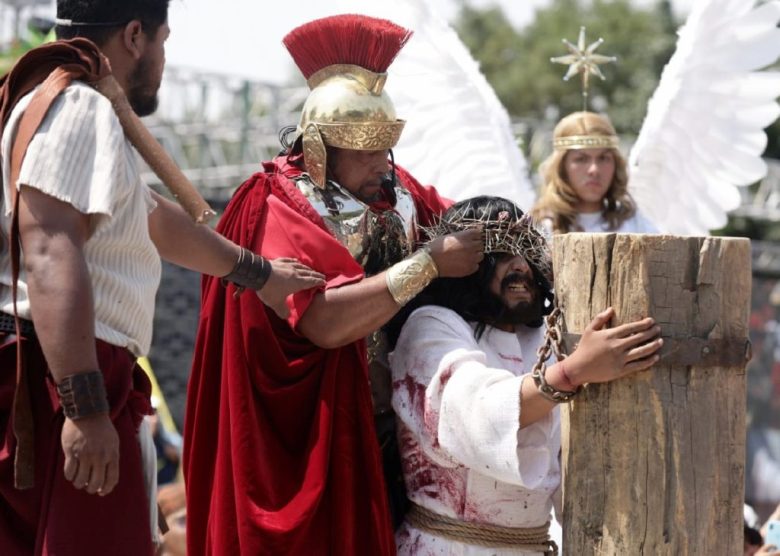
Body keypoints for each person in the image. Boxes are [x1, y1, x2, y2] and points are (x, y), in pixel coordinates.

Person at [0, 2, 323, 555]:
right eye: (163, 40)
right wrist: (86, 406)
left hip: (59, 371)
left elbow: (149, 218)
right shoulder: (78, 108)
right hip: (63, 378)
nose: (165, 59)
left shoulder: (59, 103)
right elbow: (50, 249)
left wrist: (258, 273)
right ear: (133, 35)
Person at [184, 14, 485, 556]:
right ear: (320, 146)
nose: (380, 162)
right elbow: (324, 321)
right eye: (363, 148)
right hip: (314, 435)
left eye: (384, 145)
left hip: (399, 427)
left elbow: (463, 225)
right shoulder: (278, 203)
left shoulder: (399, 190)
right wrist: (430, 264)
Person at [389, 196, 663, 555]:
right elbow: (476, 413)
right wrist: (573, 372)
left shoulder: (542, 338)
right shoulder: (431, 327)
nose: (520, 266)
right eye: (501, 253)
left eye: (527, 251)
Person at [532, 111, 657, 234]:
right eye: (581, 159)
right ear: (561, 166)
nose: (594, 170)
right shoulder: (539, 229)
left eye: (603, 158)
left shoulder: (635, 225)